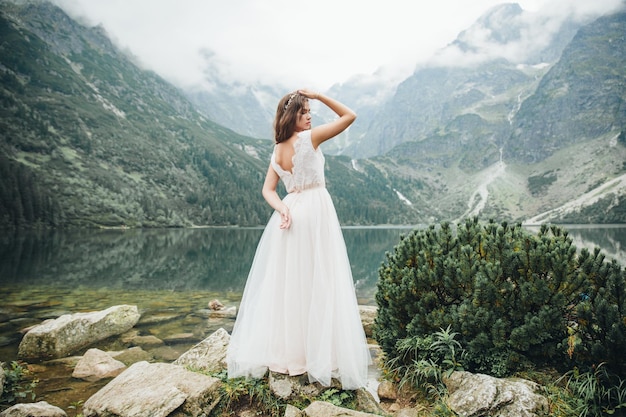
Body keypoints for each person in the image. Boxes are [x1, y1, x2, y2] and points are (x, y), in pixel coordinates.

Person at [226, 89, 371, 390]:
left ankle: (290, 354)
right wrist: (320, 95)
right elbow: (350, 116)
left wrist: (282, 209)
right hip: (316, 212)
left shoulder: (277, 149)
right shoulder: (309, 139)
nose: (310, 115)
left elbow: (268, 190)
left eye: (310, 110)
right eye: (305, 111)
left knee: (291, 286)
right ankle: (319, 355)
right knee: (319, 281)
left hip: (292, 213)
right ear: (292, 116)